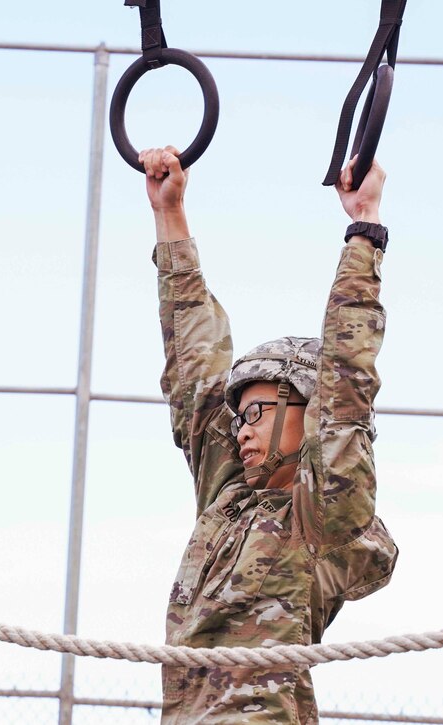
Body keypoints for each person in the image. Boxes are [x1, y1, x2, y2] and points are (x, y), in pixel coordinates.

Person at [142, 145, 399, 724]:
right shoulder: (229, 502)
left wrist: (364, 230)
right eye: (241, 417)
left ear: (307, 415)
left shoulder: (322, 521)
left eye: (258, 412)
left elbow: (345, 388)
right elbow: (194, 368)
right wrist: (169, 216)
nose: (241, 431)